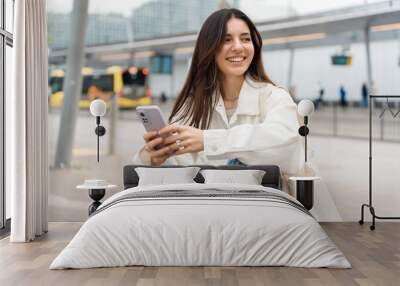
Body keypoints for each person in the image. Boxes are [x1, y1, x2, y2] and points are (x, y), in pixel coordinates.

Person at [133, 8, 304, 177]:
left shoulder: (274, 97)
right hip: (206, 203)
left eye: (245, 39)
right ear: (210, 48)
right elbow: (180, 167)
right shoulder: (193, 105)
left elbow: (286, 143)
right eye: (226, 40)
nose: (238, 47)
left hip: (264, 203)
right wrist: (152, 158)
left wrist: (207, 140)